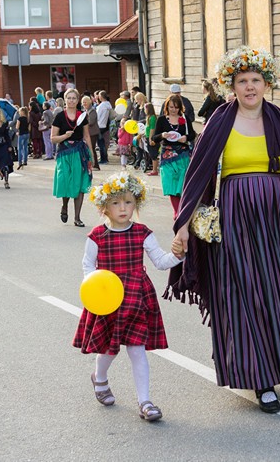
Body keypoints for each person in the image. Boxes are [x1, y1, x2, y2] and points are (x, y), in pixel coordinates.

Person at [167, 46, 280, 414]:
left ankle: (273, 367)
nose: (249, 87)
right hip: (235, 217)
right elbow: (196, 176)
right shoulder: (219, 122)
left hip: (275, 221)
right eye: (242, 81)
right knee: (242, 292)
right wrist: (183, 227)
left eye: (255, 80)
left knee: (273, 293)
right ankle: (260, 379)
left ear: (267, 84)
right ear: (231, 85)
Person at [73, 172, 184, 422]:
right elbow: (88, 267)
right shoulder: (97, 236)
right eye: (115, 203)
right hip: (107, 297)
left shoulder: (143, 233)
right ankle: (99, 377)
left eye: (128, 202)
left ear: (136, 203)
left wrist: (179, 255)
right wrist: (92, 289)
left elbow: (161, 261)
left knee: (137, 349)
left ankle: (145, 401)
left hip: (137, 297)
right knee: (110, 349)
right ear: (104, 207)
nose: (123, 208)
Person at [51, 88, 93, 227]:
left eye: (74, 98)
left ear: (78, 100)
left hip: (79, 153)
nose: (71, 100)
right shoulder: (59, 116)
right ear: (65, 99)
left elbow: (86, 136)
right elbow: (53, 138)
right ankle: (64, 206)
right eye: (69, 98)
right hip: (64, 153)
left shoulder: (82, 116)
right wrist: (65, 136)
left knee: (79, 183)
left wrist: (91, 155)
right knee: (64, 181)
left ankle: (77, 217)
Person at [151, 94, 196, 217]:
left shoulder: (185, 119)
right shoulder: (161, 120)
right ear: (167, 107)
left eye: (176, 107)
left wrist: (185, 137)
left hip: (182, 154)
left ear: (180, 107)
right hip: (167, 155)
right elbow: (154, 138)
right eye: (171, 107)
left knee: (181, 184)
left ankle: (182, 209)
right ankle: (177, 211)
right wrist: (162, 135)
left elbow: (192, 134)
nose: (173, 110)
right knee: (170, 182)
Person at [81, 95, 100, 171]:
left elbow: (91, 122)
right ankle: (91, 164)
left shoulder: (92, 111)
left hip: (92, 133)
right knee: (89, 148)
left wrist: (83, 123)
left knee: (92, 148)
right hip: (88, 133)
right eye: (83, 102)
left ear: (89, 102)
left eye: (85, 102)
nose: (84, 103)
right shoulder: (85, 111)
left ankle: (95, 165)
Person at [96, 91, 113, 164]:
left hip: (99, 125)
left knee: (101, 144)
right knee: (104, 143)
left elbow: (97, 116)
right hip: (105, 125)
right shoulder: (108, 104)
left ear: (101, 97)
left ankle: (103, 159)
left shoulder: (101, 106)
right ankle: (105, 158)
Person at [144, 103, 159, 176]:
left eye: (145, 108)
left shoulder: (152, 117)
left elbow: (152, 129)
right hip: (147, 136)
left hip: (152, 138)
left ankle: (154, 170)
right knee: (151, 153)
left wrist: (150, 138)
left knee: (153, 155)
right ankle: (154, 169)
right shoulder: (148, 117)